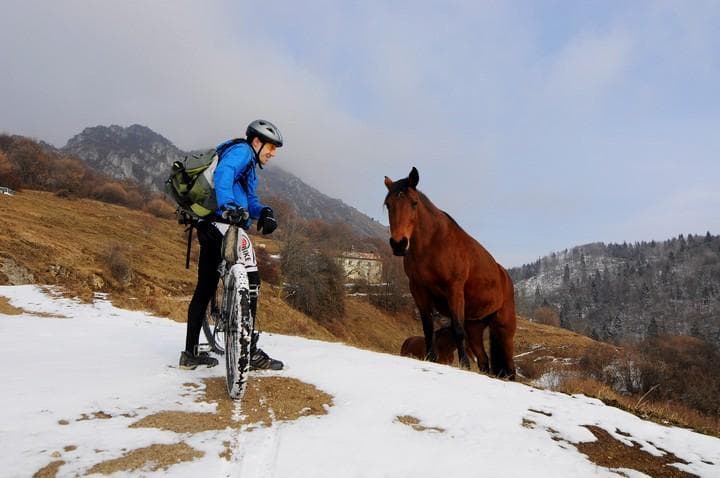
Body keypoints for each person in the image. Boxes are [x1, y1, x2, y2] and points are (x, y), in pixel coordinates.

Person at [179, 119, 284, 370]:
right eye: (270, 147)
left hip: (208, 225)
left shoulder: (247, 163)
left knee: (205, 288)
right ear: (257, 142)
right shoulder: (242, 152)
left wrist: (264, 212)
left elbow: (250, 199)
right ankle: (248, 353)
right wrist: (228, 206)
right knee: (252, 281)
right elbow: (224, 173)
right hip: (223, 225)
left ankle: (190, 353)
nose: (272, 154)